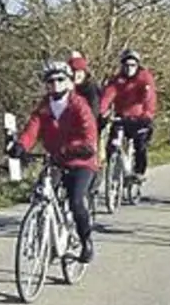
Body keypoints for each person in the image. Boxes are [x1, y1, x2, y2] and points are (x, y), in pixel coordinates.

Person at [7, 59, 100, 263]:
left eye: (60, 80)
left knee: (76, 201)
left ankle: (86, 241)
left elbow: (89, 136)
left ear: (69, 82)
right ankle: (45, 234)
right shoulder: (44, 107)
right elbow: (33, 128)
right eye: (50, 81)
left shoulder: (79, 106)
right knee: (42, 192)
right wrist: (21, 145)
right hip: (57, 159)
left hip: (81, 161)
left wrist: (76, 149)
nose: (55, 84)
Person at [96, 48, 157, 186]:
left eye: (132, 65)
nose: (129, 68)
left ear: (138, 65)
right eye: (126, 65)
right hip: (121, 117)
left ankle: (139, 172)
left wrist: (147, 115)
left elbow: (149, 98)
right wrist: (101, 112)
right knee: (112, 144)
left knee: (140, 144)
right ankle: (113, 170)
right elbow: (108, 96)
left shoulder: (145, 78)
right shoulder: (118, 80)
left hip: (140, 118)